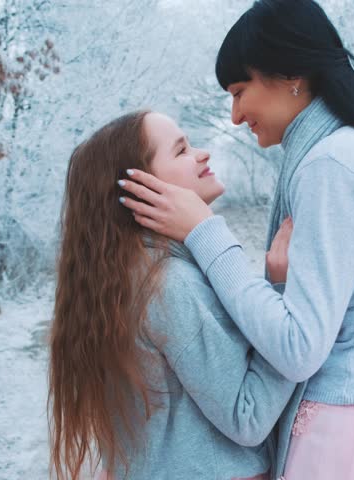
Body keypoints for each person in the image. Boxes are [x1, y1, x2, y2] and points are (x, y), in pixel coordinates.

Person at [117, 1, 354, 478]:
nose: (234, 117)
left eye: (239, 90)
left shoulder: (332, 164)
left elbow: (298, 347)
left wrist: (205, 233)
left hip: (353, 438)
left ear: (289, 73)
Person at [48, 110, 295, 480]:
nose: (202, 154)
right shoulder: (169, 285)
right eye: (181, 151)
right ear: (140, 189)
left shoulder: (123, 281)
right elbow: (248, 415)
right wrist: (284, 296)